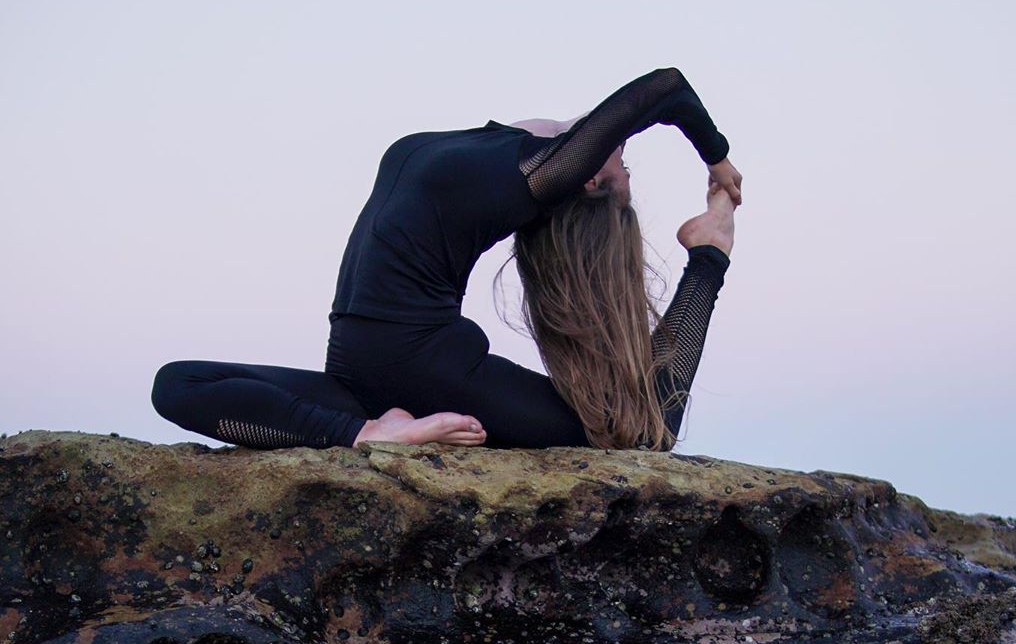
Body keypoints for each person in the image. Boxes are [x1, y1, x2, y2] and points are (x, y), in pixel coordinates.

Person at [152, 67, 740, 452]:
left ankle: (708, 252)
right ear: (587, 177)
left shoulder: (520, 172)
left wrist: (712, 162)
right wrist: (717, 158)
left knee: (644, 433)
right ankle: (369, 435)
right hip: (386, 367)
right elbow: (651, 95)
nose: (623, 155)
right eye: (627, 170)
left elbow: (651, 98)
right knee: (174, 382)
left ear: (580, 177)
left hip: (394, 362)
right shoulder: (513, 153)